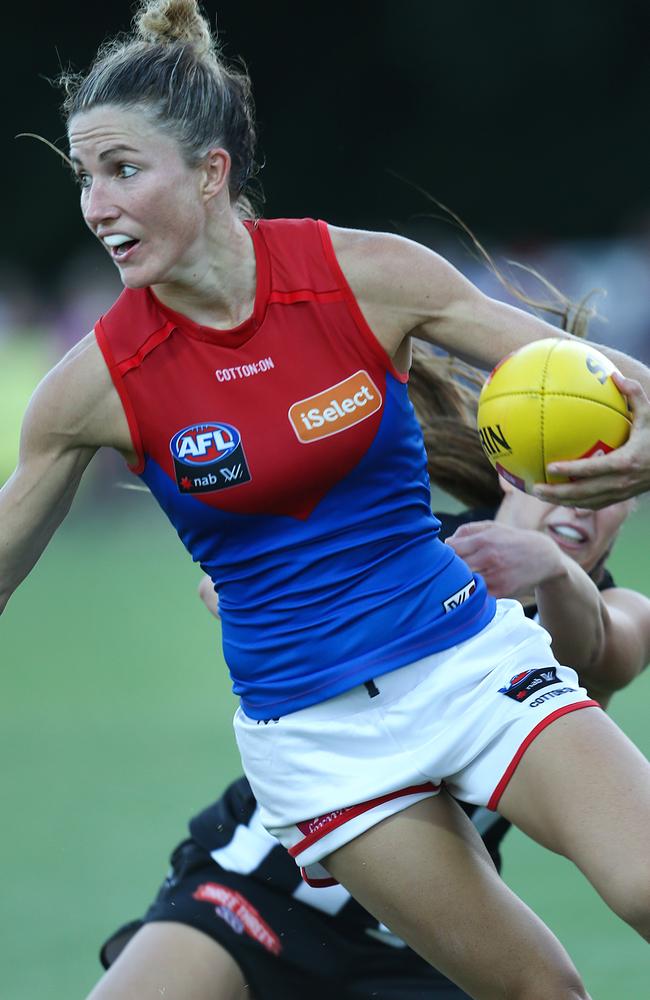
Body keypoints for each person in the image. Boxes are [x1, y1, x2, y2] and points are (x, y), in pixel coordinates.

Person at [3, 1, 650, 996]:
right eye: (85, 178)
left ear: (212, 172)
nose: (96, 206)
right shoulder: (95, 382)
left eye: (123, 171)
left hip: (466, 661)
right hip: (318, 740)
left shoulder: (363, 275)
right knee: (542, 991)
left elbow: (578, 370)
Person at [89, 346, 650, 1000]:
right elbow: (225, 586)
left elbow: (596, 649)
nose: (579, 501)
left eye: (602, 481)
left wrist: (551, 570)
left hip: (425, 936)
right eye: (560, 467)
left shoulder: (613, 606)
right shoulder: (407, 549)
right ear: (510, 468)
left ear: (631, 501)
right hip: (255, 890)